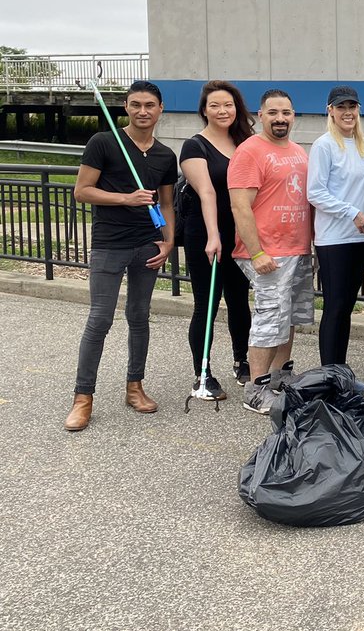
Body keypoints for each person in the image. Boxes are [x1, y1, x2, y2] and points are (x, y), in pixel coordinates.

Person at [65, 80, 178, 432]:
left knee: (139, 317)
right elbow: (81, 192)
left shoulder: (164, 155)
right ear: (126, 108)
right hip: (109, 244)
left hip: (148, 244)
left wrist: (169, 242)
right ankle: (83, 398)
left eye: (149, 105)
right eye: (135, 104)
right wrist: (126, 199)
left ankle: (135, 386)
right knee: (99, 320)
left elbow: (167, 203)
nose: (142, 111)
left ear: (160, 109)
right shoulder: (104, 142)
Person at [229, 89, 314, 415]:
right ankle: (256, 387)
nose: (280, 118)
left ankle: (281, 375)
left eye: (286, 112)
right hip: (268, 253)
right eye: (273, 112)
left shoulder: (297, 151)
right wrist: (257, 252)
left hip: (297, 248)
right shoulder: (250, 151)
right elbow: (240, 204)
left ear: (294, 116)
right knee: (269, 318)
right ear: (260, 115)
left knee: (288, 316)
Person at [179, 79, 255, 399]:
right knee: (207, 304)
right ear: (204, 110)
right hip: (206, 233)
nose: (222, 110)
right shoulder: (195, 145)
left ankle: (242, 361)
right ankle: (203, 373)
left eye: (228, 105)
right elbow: (207, 192)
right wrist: (213, 236)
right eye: (215, 105)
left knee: (240, 301)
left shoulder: (246, 141)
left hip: (239, 233)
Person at [307, 86, 364, 376]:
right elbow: (315, 192)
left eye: (352, 106)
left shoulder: (362, 145)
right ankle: (330, 374)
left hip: (359, 237)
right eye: (341, 107)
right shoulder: (324, 145)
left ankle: (341, 371)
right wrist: (352, 213)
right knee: (334, 307)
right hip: (334, 239)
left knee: (346, 306)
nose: (348, 112)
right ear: (330, 110)